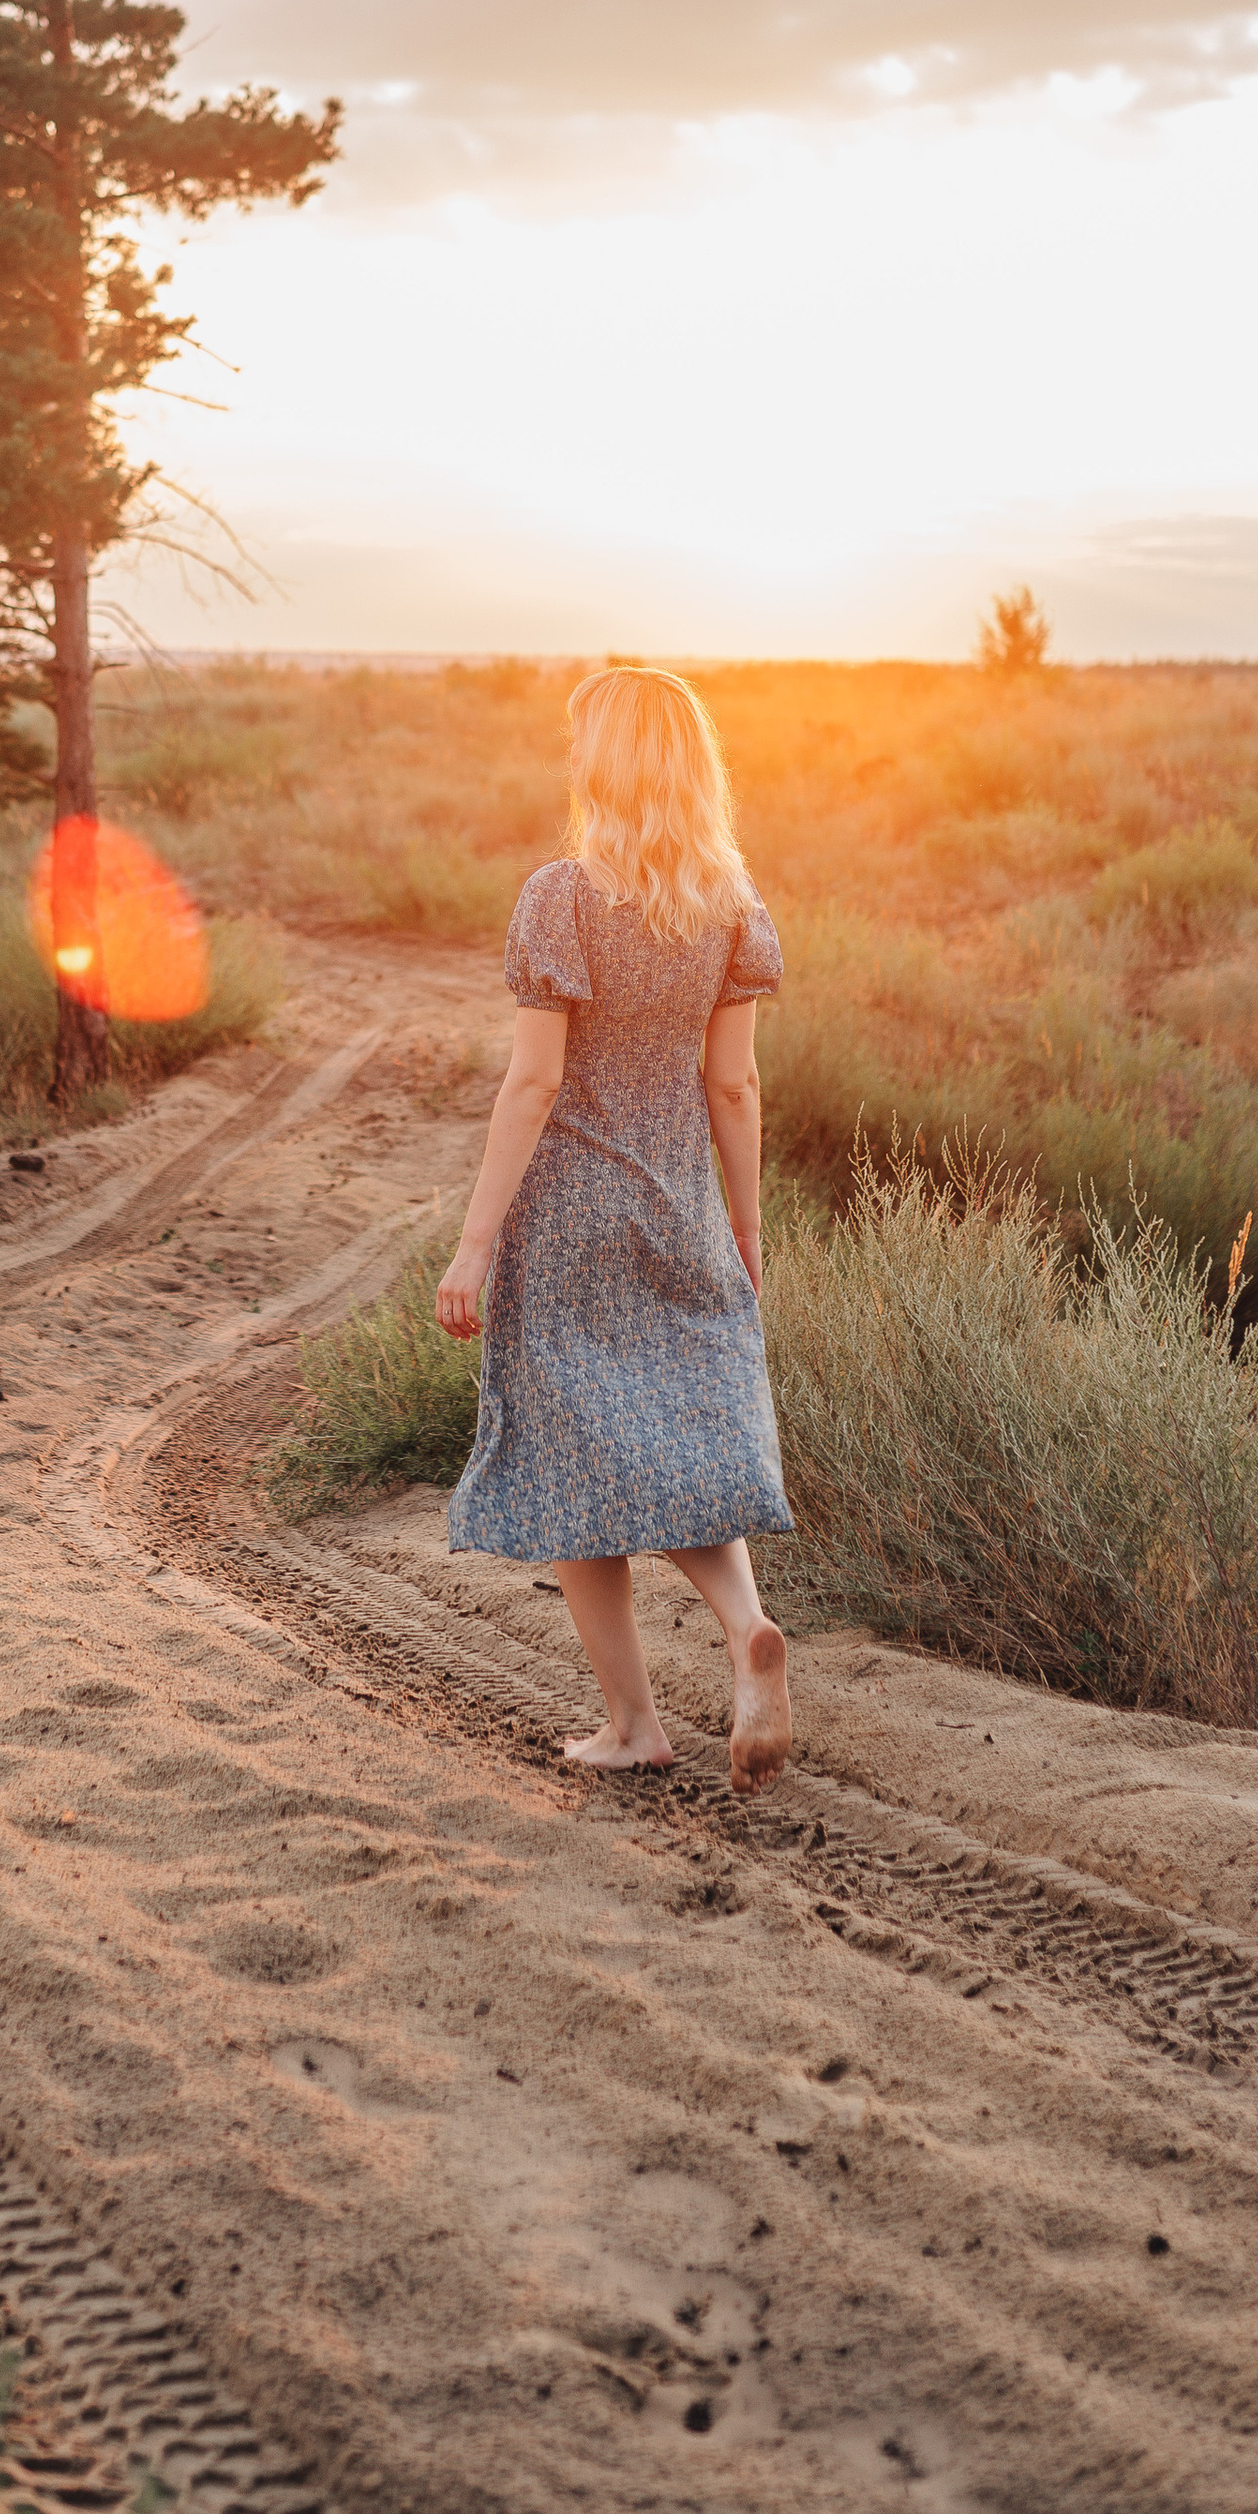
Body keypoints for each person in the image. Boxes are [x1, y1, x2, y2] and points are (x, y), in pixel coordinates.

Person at [435, 664, 795, 1794]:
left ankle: (633, 1723)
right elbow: (732, 1089)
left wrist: (476, 1241)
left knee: (571, 1459)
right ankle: (743, 1623)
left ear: (601, 762)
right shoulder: (732, 904)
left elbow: (532, 1086)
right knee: (683, 1436)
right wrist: (741, 1224)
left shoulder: (560, 897)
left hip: (572, 1210)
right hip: (680, 1198)